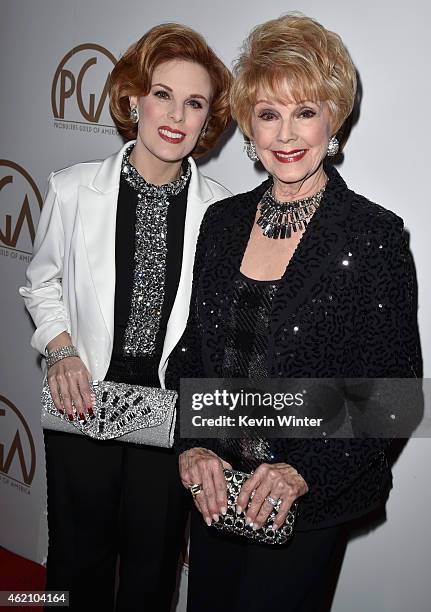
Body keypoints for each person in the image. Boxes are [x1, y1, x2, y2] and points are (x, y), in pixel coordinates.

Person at [166, 13, 421, 612]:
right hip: (217, 491)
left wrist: (301, 469)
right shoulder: (222, 224)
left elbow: (394, 396)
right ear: (248, 126)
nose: (286, 133)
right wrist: (194, 444)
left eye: (305, 111)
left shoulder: (371, 235)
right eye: (268, 113)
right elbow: (194, 354)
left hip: (303, 502)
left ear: (333, 119)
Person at [19, 23, 231, 612]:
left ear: (208, 119)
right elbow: (41, 283)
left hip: (169, 416)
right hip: (83, 401)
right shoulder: (72, 189)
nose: (175, 115)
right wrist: (61, 350)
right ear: (135, 98)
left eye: (195, 103)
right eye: (163, 94)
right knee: (73, 565)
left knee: (152, 573)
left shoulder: (223, 212)